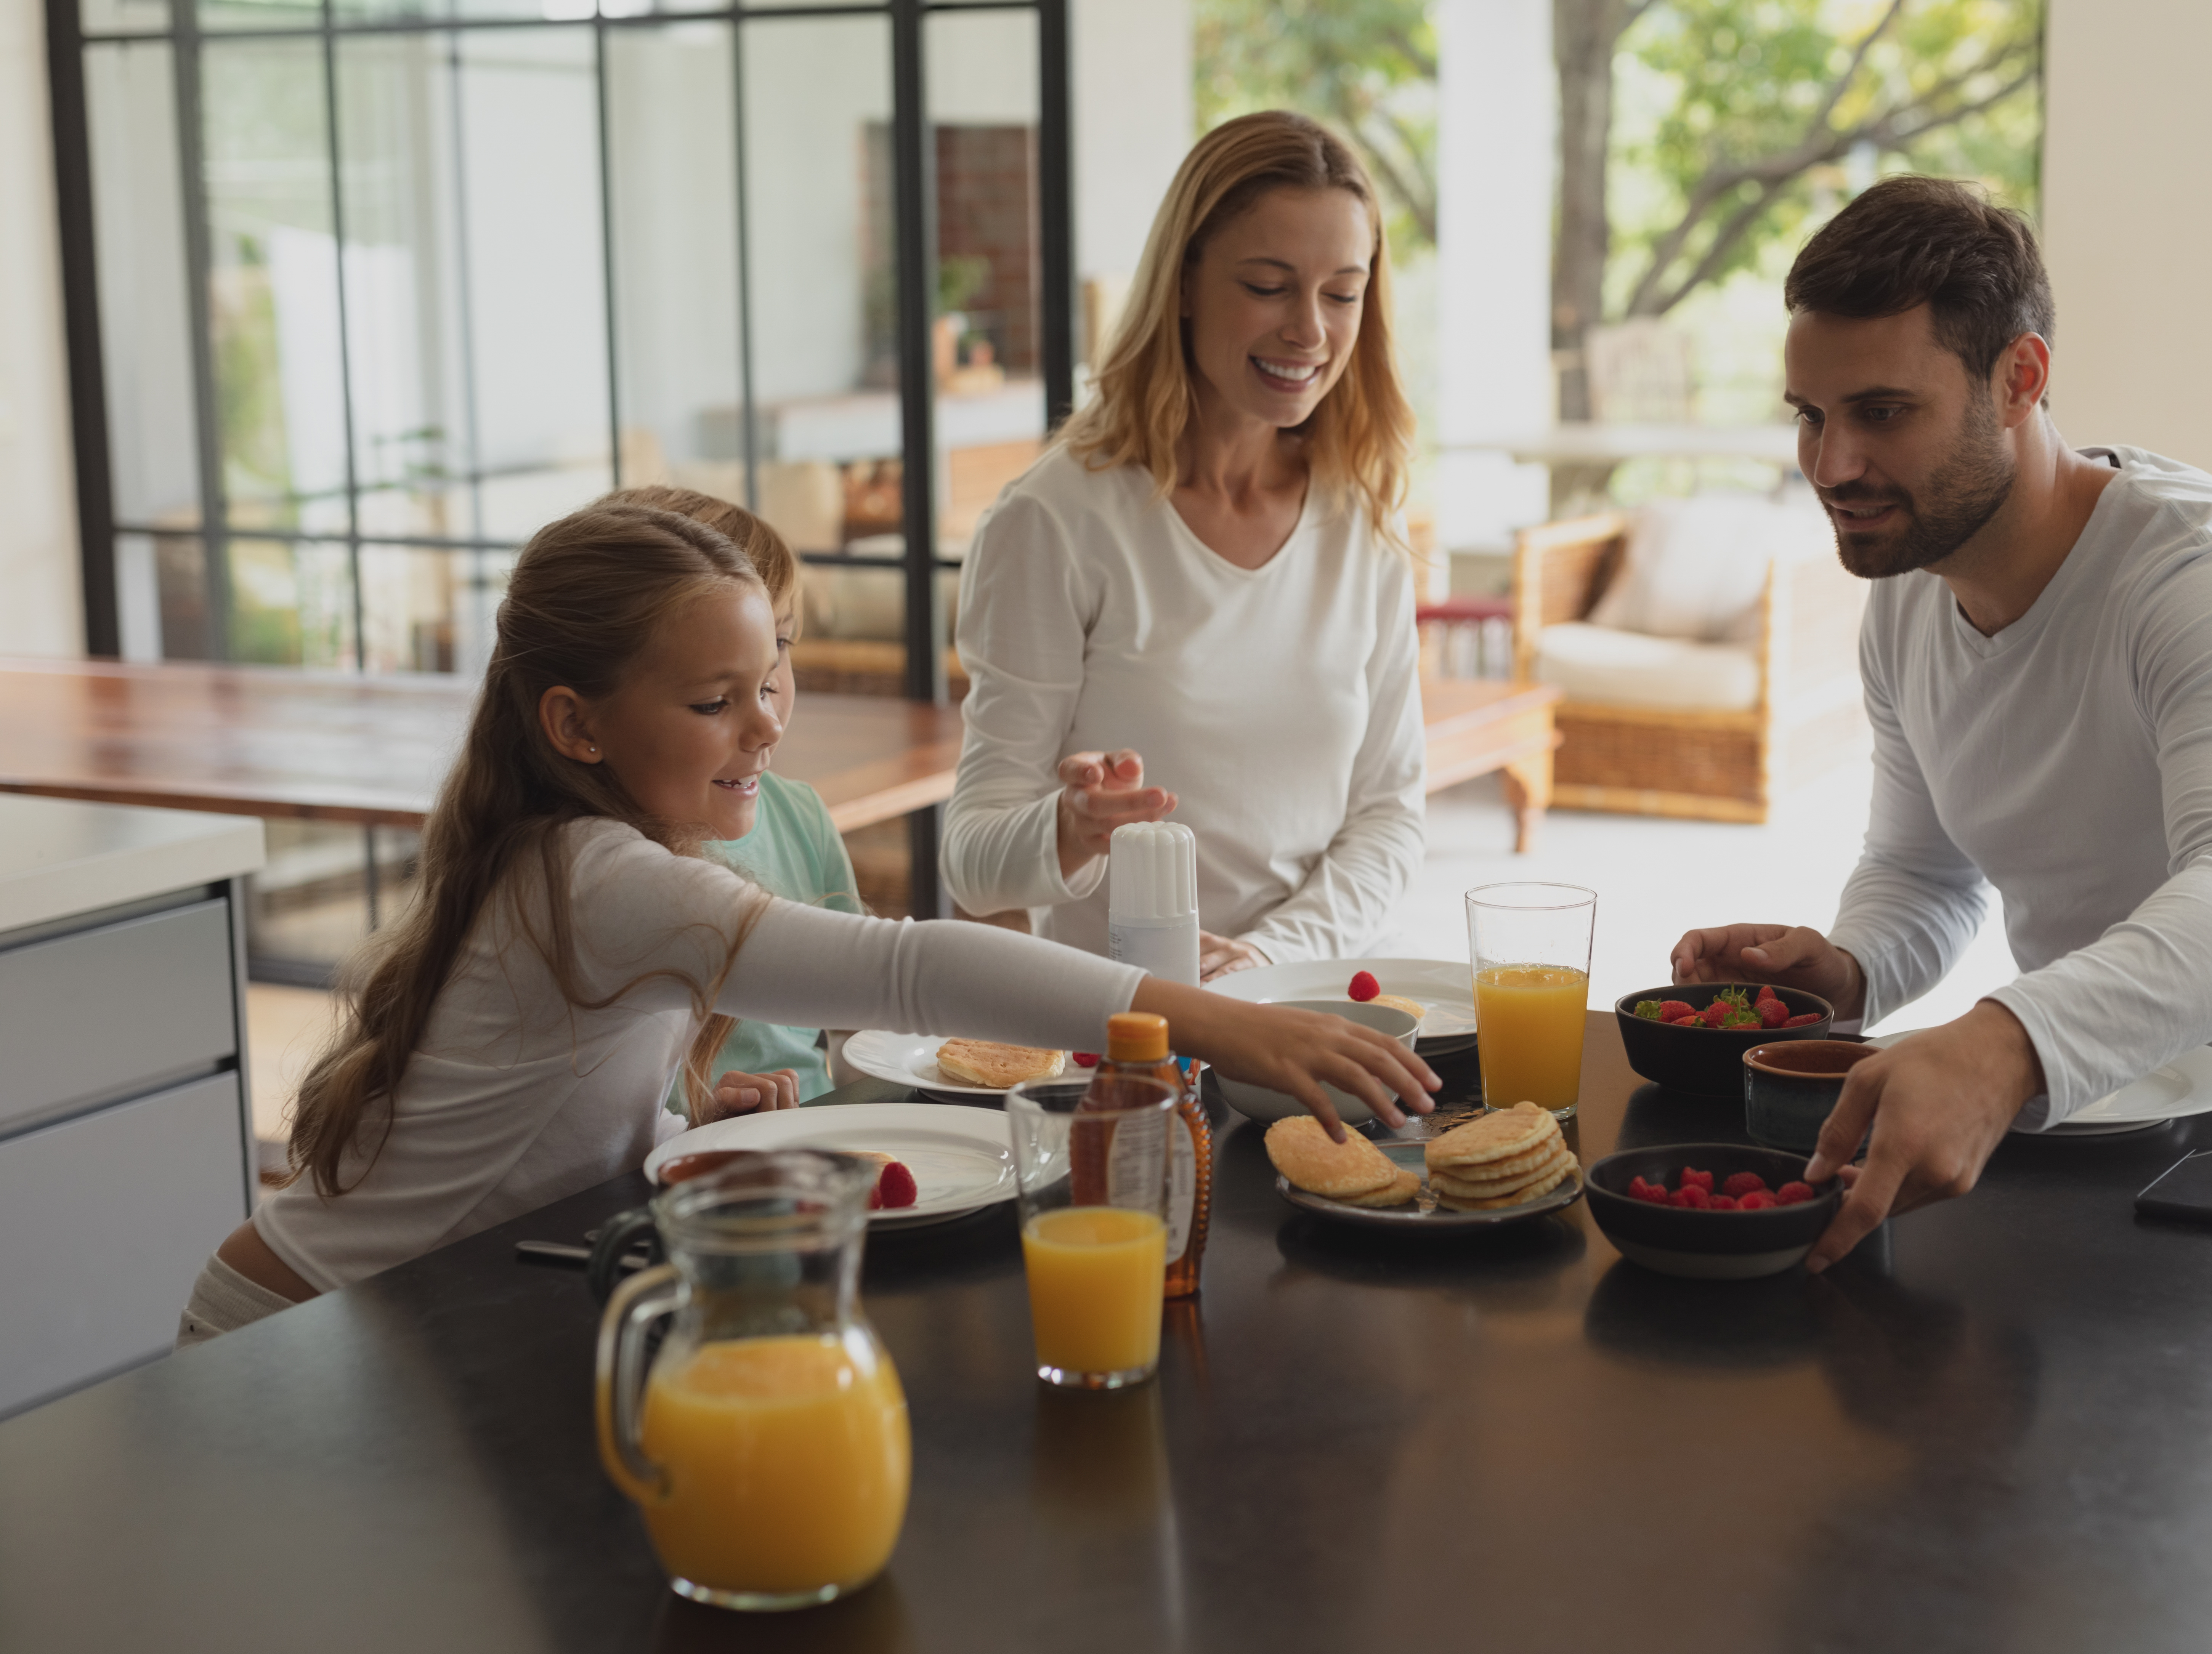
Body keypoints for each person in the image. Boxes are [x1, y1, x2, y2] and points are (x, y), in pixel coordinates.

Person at [178, 505, 1435, 1340]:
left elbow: (524, 1115)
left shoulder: (581, 861)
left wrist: (674, 1119)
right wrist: (1230, 1026)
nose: (767, 728)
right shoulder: (601, 876)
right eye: (718, 701)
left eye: (768, 683)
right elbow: (911, 966)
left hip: (367, 1313)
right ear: (577, 726)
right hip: (293, 1335)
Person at [1668, 176, 2212, 1272]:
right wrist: (1851, 970)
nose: (1833, 467)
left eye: (1883, 412)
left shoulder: (2210, 581)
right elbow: (1924, 869)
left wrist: (2005, 1043)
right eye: (1812, 418)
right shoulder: (1911, 591)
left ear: (2020, 378)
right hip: (2120, 1114)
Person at [941, 110, 1426, 979]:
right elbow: (972, 859)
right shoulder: (1057, 521)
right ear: (1187, 282)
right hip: (1126, 1041)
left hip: (1321, 1008)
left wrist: (1268, 959)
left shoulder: (1364, 515)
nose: (1310, 330)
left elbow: (1390, 816)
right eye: (1270, 285)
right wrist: (1068, 827)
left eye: (1341, 292)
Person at [603, 485, 860, 1112]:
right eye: (718, 693)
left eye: (780, 651)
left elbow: (867, 1010)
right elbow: (588, 1120)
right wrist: (700, 1119)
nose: (769, 715)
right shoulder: (600, 871)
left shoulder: (800, 816)